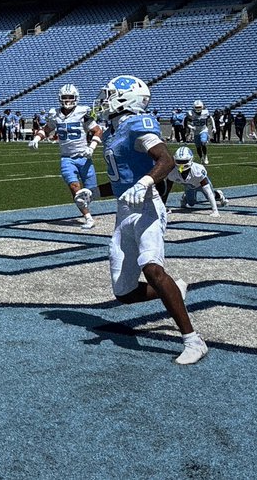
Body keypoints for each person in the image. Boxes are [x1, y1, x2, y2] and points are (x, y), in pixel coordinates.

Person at [93, 75, 207, 365]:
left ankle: (193, 340)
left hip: (147, 207)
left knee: (153, 269)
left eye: (109, 94)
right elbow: (121, 182)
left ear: (126, 98)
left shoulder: (136, 123)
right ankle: (174, 289)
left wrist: (145, 183)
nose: (104, 100)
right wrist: (91, 192)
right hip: (123, 211)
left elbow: (165, 160)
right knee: (124, 293)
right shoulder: (112, 132)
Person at [27, 84, 102, 230]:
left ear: (76, 98)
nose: (67, 100)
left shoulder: (82, 112)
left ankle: (88, 209)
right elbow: (47, 129)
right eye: (65, 97)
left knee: (92, 191)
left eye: (70, 97)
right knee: (75, 187)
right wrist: (36, 138)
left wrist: (91, 147)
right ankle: (88, 217)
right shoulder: (55, 113)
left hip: (84, 156)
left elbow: (97, 131)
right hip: (67, 157)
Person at [167, 147, 227, 216]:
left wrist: (215, 211)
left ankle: (219, 195)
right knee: (191, 203)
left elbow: (208, 191)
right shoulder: (172, 171)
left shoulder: (198, 170)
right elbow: (167, 190)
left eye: (184, 161)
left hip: (200, 185)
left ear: (191, 159)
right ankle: (186, 197)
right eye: (179, 161)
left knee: (211, 195)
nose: (182, 165)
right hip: (189, 186)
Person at [185, 100, 213, 164]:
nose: (198, 108)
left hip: (203, 130)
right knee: (198, 147)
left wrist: (213, 127)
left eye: (199, 107)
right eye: (196, 107)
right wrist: (192, 127)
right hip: (196, 132)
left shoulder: (205, 112)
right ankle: (201, 158)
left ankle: (205, 156)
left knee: (203, 142)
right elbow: (188, 123)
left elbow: (211, 118)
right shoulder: (191, 113)